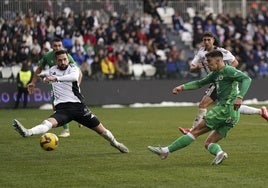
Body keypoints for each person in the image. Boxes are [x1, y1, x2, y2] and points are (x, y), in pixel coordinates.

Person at [12, 49, 129, 153]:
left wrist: (55, 78)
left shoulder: (73, 68)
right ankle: (27, 132)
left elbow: (73, 78)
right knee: (47, 123)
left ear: (68, 59)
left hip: (78, 107)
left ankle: (115, 143)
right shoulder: (52, 70)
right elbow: (42, 73)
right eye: (60, 60)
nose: (63, 62)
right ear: (56, 61)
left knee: (102, 131)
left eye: (64, 59)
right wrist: (42, 78)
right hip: (63, 109)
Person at [148, 50, 252, 165]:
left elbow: (247, 79)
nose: (207, 64)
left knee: (195, 131)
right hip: (233, 115)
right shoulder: (215, 74)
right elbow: (199, 83)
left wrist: (240, 96)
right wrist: (182, 87)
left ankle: (165, 151)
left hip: (224, 109)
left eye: (209, 61)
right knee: (209, 143)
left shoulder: (228, 70)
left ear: (218, 60)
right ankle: (220, 153)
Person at [178, 31, 268, 135]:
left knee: (203, 104)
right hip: (214, 80)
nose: (206, 42)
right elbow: (191, 68)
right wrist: (197, 67)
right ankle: (260, 111)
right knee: (232, 105)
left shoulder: (221, 52)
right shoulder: (200, 52)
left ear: (213, 40)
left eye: (208, 39)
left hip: (223, 81)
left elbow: (235, 62)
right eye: (204, 40)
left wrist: (225, 75)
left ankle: (193, 130)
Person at [27, 38, 82, 138]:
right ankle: (73, 121)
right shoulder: (48, 56)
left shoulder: (67, 56)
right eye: (55, 46)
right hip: (55, 85)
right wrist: (33, 83)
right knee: (56, 107)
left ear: (62, 46)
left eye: (59, 45)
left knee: (64, 106)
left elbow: (79, 73)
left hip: (67, 85)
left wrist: (77, 86)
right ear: (52, 47)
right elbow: (39, 69)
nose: (57, 48)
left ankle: (67, 129)